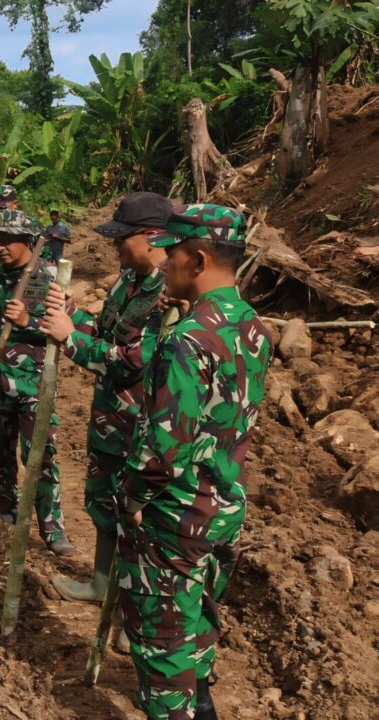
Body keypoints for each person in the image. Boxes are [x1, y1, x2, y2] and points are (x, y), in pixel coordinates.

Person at [118, 204, 271, 719]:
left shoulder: (187, 339)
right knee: (198, 618)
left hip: (176, 516)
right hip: (224, 504)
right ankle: (202, 701)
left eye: (173, 254)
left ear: (199, 259)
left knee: (163, 648)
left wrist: (132, 497)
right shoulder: (252, 327)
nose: (164, 264)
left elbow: (166, 449)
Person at [38, 192, 174, 603]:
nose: (115, 245)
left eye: (122, 238)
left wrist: (69, 339)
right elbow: (105, 334)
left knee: (139, 516)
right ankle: (101, 584)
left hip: (141, 428)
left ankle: (135, 604)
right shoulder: (129, 279)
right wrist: (73, 314)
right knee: (104, 503)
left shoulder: (170, 295)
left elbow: (133, 361)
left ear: (152, 236)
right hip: (109, 420)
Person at [0, 198, 75, 557]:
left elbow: (63, 331)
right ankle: (4, 510)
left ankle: (52, 529)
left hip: (34, 386)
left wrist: (27, 324)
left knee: (40, 457)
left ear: (28, 239)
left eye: (6, 239)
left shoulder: (49, 278)